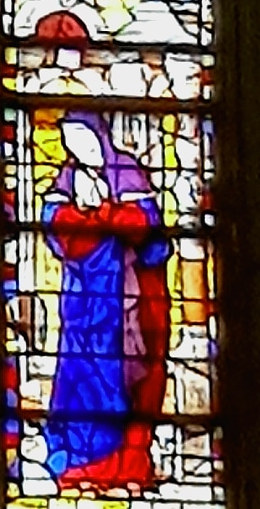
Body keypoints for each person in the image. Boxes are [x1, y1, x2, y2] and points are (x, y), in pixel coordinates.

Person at [43, 113, 170, 493]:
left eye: (82, 138)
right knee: (77, 376)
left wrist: (103, 213)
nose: (75, 147)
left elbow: (147, 224)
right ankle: (78, 463)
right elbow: (53, 222)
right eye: (69, 140)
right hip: (82, 301)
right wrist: (84, 220)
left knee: (124, 375)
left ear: (99, 136)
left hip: (124, 300)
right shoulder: (68, 177)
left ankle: (122, 466)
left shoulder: (125, 171)